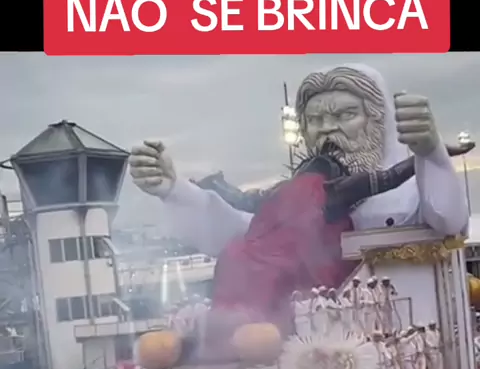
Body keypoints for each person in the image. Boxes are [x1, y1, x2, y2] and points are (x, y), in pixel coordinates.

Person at [129, 63, 469, 261]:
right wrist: (175, 191)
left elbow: (448, 219)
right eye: (315, 120)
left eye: (346, 115)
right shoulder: (296, 202)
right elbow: (243, 232)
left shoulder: (416, 187)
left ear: (380, 119)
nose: (328, 129)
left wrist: (431, 152)